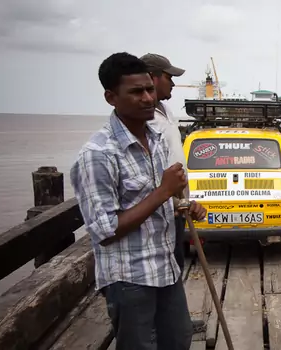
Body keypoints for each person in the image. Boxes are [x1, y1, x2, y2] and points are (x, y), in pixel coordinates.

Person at [70, 52, 206, 350]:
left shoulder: (155, 138)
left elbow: (159, 203)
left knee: (179, 339)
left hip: (165, 267)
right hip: (129, 279)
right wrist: (163, 193)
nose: (148, 98)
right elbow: (104, 231)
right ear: (111, 97)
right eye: (136, 92)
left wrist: (183, 206)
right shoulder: (98, 155)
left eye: (148, 89)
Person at [140, 53, 188, 271]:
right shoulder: (145, 119)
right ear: (152, 77)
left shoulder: (165, 111)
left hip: (177, 206)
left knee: (175, 262)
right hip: (164, 206)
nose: (173, 83)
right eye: (169, 77)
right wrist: (173, 201)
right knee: (166, 264)